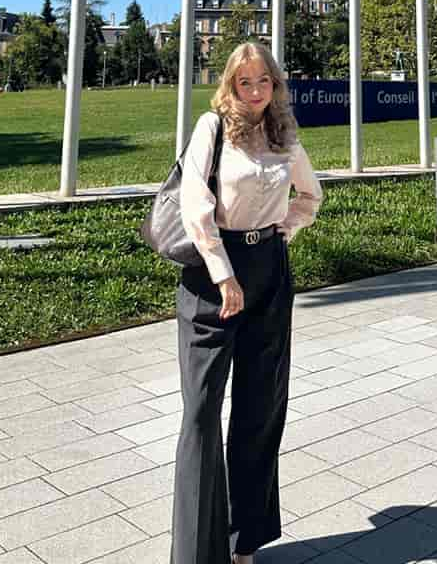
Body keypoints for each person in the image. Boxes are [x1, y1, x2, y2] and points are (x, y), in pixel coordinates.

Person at [173, 41, 323, 564]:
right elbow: (196, 203)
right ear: (230, 85)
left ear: (275, 84)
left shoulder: (283, 133)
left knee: (260, 407)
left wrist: (286, 230)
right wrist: (223, 273)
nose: (256, 92)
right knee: (201, 412)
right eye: (246, 83)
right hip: (213, 275)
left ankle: (245, 542)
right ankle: (195, 553)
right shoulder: (210, 128)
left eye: (265, 82)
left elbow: (311, 195)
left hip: (269, 272)